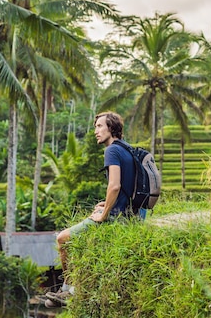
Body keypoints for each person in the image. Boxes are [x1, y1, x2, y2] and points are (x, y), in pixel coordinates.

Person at [44, 111, 137, 308]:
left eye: (99, 126)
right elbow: (127, 186)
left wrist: (104, 214)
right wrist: (108, 203)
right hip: (131, 213)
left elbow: (114, 186)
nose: (95, 131)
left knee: (62, 238)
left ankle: (68, 290)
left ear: (111, 128)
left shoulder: (111, 150)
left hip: (117, 217)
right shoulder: (128, 149)